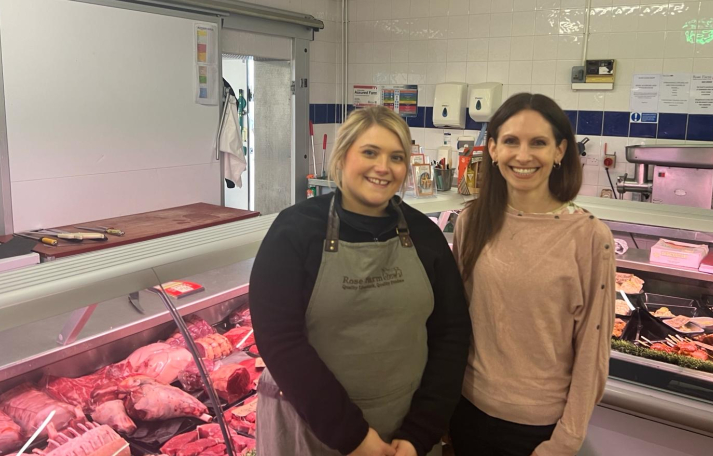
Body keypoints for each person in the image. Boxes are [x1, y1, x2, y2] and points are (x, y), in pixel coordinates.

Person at [250, 106, 471, 456]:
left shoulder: (424, 236)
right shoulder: (295, 231)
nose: (383, 167)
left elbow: (452, 334)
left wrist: (420, 432)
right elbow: (280, 342)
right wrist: (354, 437)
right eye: (370, 152)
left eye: (396, 157)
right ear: (342, 156)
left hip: (405, 432)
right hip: (312, 431)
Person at [450, 93, 615, 456]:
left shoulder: (589, 236)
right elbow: (457, 323)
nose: (523, 156)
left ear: (559, 151)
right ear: (492, 149)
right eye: (510, 141)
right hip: (466, 413)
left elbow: (593, 350)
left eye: (538, 143)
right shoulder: (471, 222)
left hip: (539, 430)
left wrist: (566, 441)